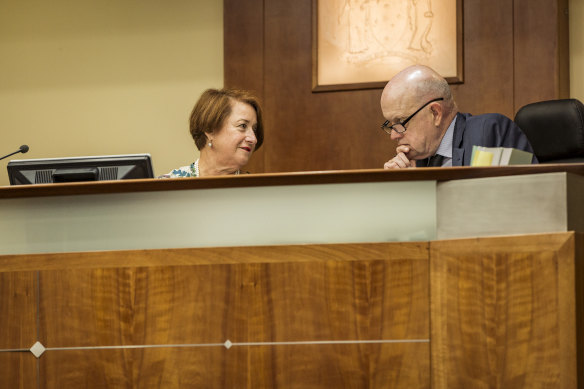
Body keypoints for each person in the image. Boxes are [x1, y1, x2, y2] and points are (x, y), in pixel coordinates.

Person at [380, 65, 537, 168]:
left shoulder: (490, 133)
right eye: (390, 125)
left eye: (400, 122)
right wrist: (401, 187)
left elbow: (525, 199)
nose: (394, 135)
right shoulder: (412, 162)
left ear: (435, 113)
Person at [161, 88, 264, 178]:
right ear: (210, 129)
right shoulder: (166, 188)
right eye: (242, 126)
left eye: (254, 130)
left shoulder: (258, 191)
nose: (253, 139)